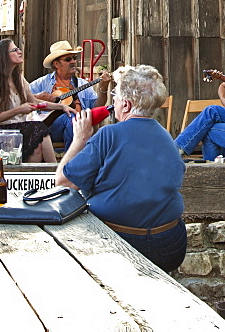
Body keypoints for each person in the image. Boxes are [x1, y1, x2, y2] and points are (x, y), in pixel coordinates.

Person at [56, 65, 187, 272]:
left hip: (120, 240)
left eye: (114, 95)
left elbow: (63, 181)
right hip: (170, 242)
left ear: (125, 105)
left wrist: (79, 138)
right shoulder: (166, 137)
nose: (113, 100)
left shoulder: (108, 135)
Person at [0, 39, 65, 163]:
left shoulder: (18, 79)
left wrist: (62, 107)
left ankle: (32, 178)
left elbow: (35, 102)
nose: (20, 52)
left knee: (37, 147)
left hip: (17, 131)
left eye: (18, 49)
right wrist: (18, 109)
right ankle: (55, 174)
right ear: (3, 56)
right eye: (14, 50)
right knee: (39, 128)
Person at [29, 41, 109, 148]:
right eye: (68, 59)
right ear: (56, 64)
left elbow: (96, 107)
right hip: (50, 130)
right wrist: (39, 97)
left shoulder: (82, 84)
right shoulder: (42, 83)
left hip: (80, 129)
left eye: (74, 58)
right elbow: (22, 98)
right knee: (70, 117)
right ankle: (74, 161)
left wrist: (103, 89)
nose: (73, 62)